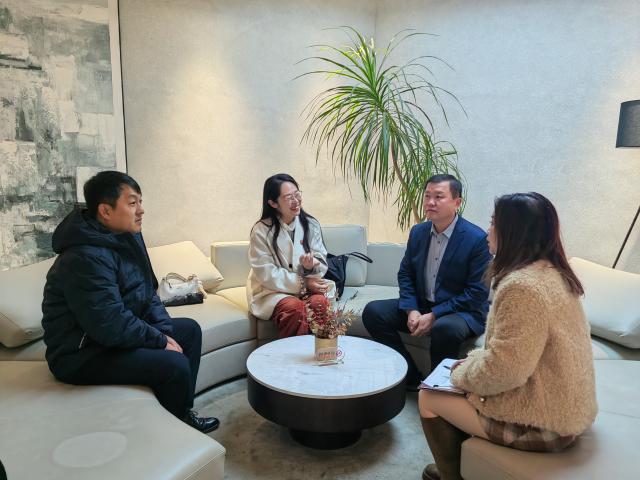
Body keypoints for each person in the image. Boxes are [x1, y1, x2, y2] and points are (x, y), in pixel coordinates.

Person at [418, 192, 597, 480]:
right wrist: (471, 364)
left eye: (493, 222)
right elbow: (513, 354)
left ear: (513, 231)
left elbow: (506, 371)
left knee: (428, 396)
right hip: (567, 408)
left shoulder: (522, 287)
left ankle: (451, 474)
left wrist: (460, 376)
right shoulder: (551, 272)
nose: (488, 230)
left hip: (543, 423)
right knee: (462, 375)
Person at [41, 171, 219, 433]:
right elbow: (108, 323)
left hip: (108, 339)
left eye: (140, 202)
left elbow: (147, 292)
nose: (141, 210)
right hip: (82, 353)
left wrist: (164, 332)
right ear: (105, 211)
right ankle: (173, 432)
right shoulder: (83, 257)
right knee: (174, 364)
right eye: (133, 203)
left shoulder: (126, 237)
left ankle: (179, 412)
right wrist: (159, 341)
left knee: (189, 331)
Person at [363, 174, 492, 389]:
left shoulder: (476, 239)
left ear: (457, 202)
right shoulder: (419, 232)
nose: (430, 202)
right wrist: (411, 310)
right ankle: (411, 378)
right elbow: (406, 274)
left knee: (444, 328)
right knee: (374, 312)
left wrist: (435, 315)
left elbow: (476, 293)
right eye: (427, 196)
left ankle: (436, 390)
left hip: (462, 312)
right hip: (424, 305)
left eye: (438, 197)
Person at [247, 173, 331, 338]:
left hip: (308, 286)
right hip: (272, 291)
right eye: (289, 197)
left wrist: (311, 266)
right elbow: (267, 274)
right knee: (295, 308)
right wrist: (303, 283)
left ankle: (323, 351)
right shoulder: (261, 231)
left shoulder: (310, 224)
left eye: (297, 194)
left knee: (319, 303)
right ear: (273, 203)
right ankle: (293, 355)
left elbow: (321, 260)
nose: (296, 200)